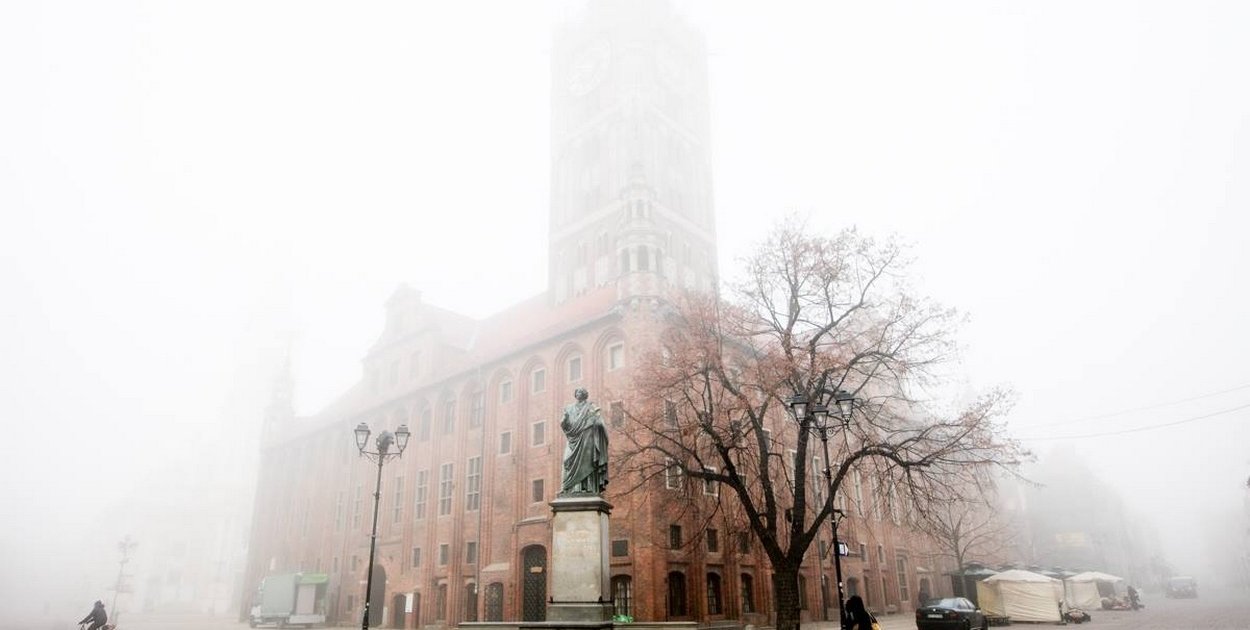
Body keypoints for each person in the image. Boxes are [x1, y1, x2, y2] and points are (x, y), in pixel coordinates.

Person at [559, 387, 609, 494]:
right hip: (573, 440)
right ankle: (570, 488)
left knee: (588, 463)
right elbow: (565, 426)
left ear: (585, 394)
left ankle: (588, 487)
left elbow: (599, 422)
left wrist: (596, 421)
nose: (579, 393)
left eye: (581, 392)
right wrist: (563, 422)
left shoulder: (591, 407)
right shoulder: (569, 408)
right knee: (567, 460)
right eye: (577, 392)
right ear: (575, 394)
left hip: (587, 439)